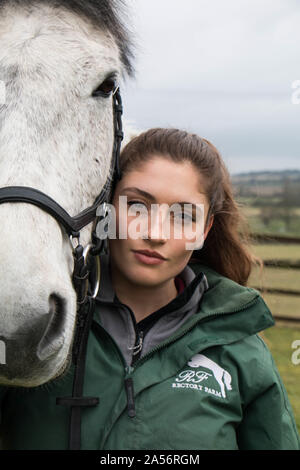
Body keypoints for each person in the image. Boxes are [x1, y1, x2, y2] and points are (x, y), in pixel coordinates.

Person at [0, 128, 299, 450]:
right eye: (138, 206)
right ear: (106, 210)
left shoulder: (241, 353)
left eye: (183, 215)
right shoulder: (37, 331)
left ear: (205, 229)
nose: (156, 233)